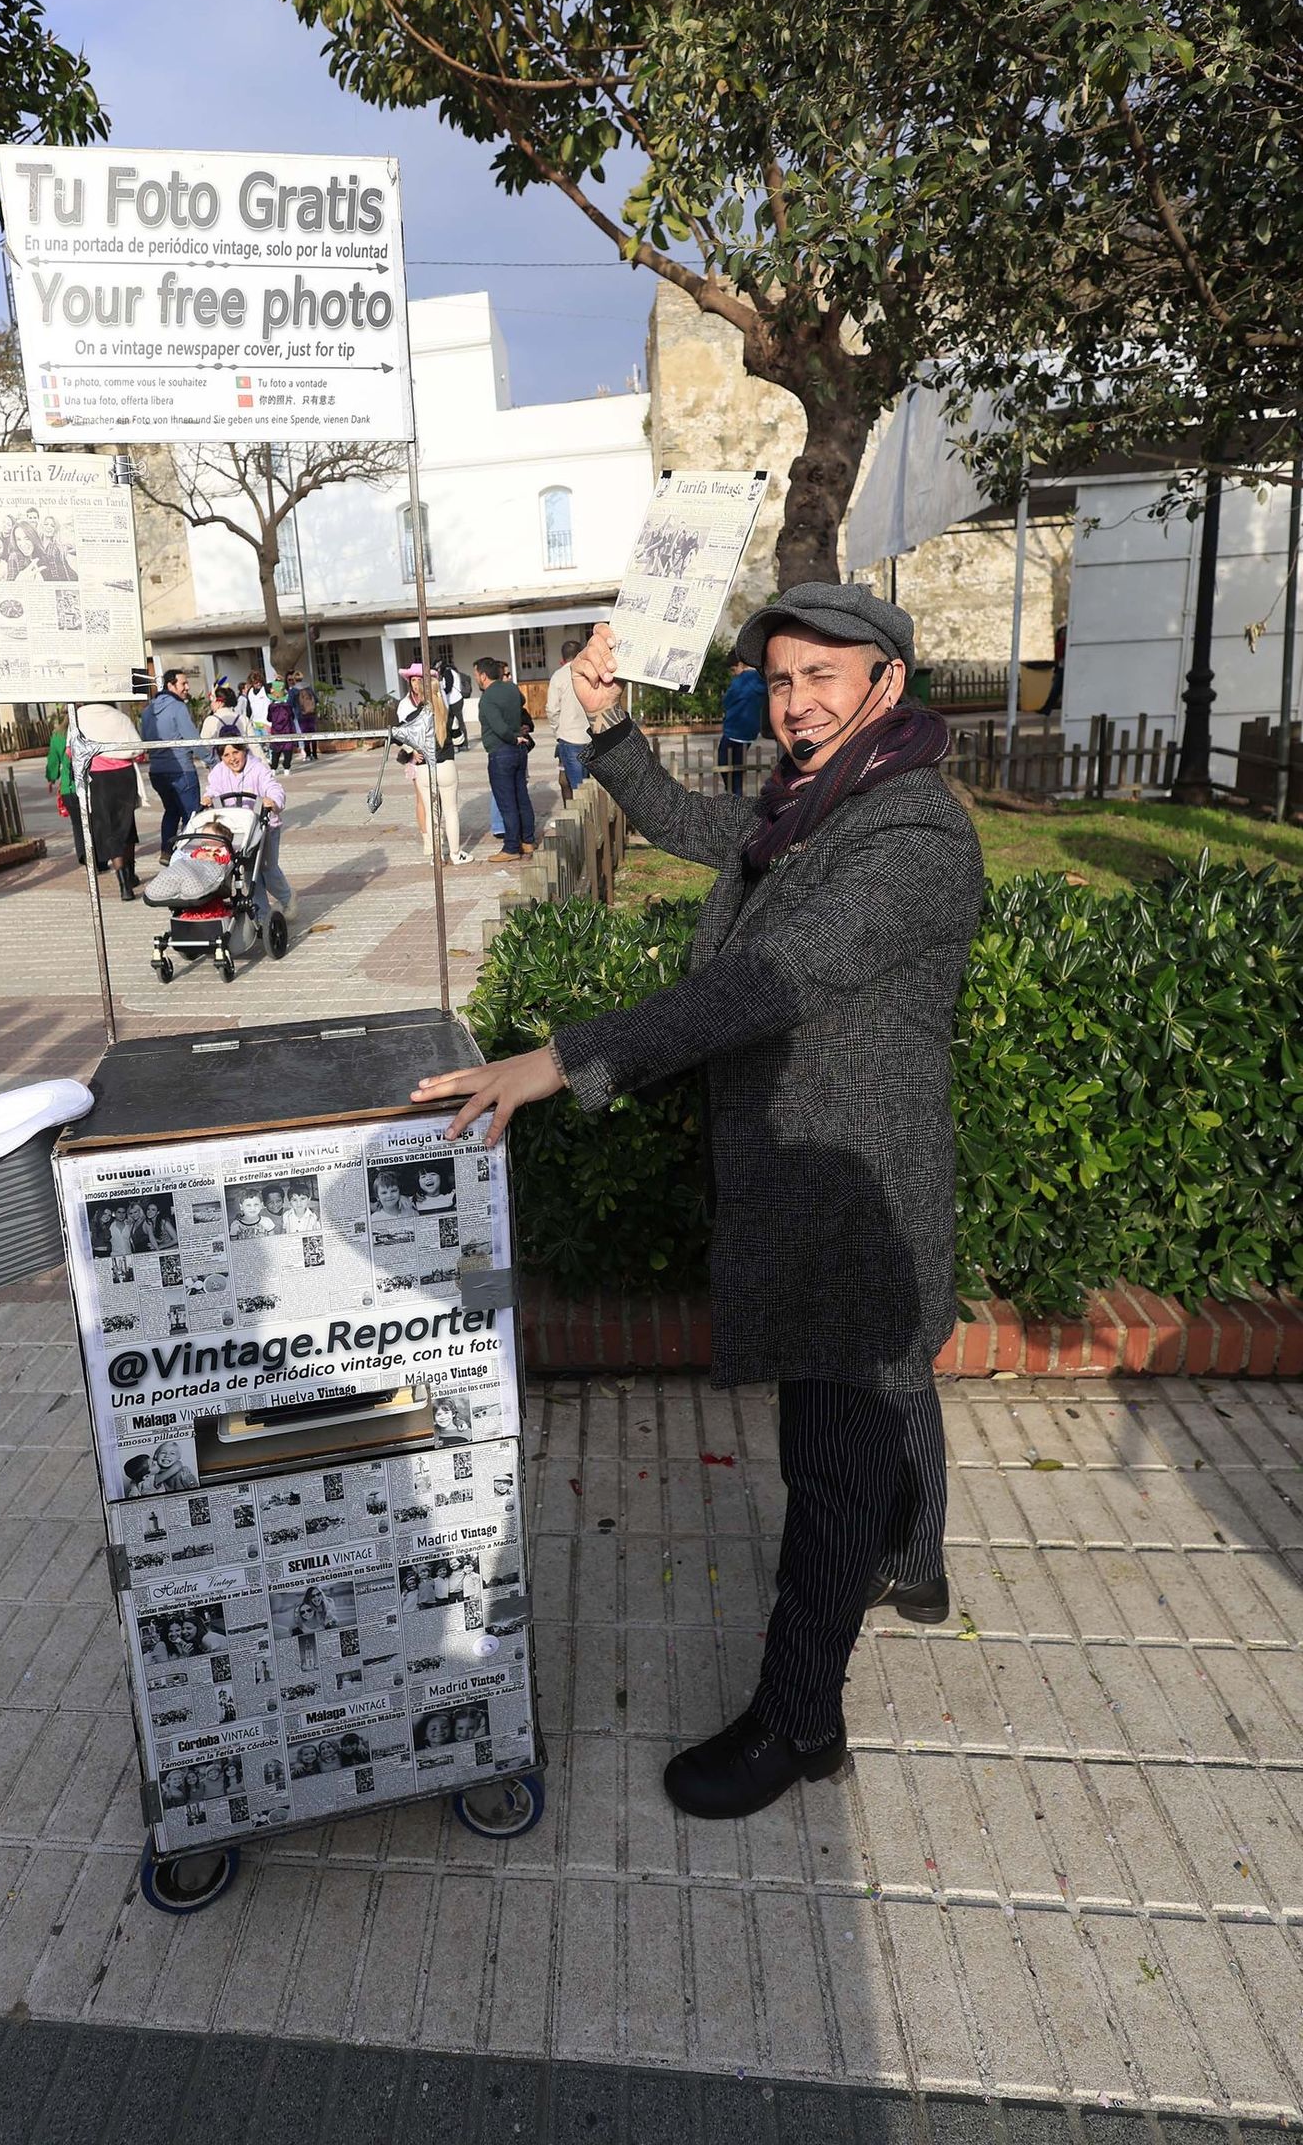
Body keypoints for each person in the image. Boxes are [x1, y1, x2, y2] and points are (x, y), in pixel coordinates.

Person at [414, 584, 984, 1825]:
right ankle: (913, 1561)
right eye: (780, 681)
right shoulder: (817, 805)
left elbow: (758, 983)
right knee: (889, 1381)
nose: (796, 703)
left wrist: (560, 1059)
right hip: (827, 1184)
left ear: (887, 682)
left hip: (848, 1195)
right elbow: (698, 824)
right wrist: (611, 728)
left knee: (830, 1461)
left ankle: (800, 1724)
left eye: (823, 676)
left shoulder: (910, 835)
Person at [205, 738, 292, 919]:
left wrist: (273, 800)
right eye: (226, 755)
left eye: (236, 752)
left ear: (244, 750)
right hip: (238, 830)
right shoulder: (218, 772)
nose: (232, 759)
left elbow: (273, 787)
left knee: (268, 869)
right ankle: (262, 914)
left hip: (265, 826)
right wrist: (208, 797)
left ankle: (287, 899)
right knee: (250, 873)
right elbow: (213, 790)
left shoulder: (258, 768)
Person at [394, 664, 471, 865]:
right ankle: (455, 854)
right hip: (446, 766)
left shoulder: (413, 717)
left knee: (431, 812)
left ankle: (437, 856)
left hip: (424, 769)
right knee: (451, 812)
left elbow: (396, 735)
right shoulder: (448, 715)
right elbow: (459, 740)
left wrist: (412, 750)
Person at [69, 703, 145, 898]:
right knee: (127, 825)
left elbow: (71, 751)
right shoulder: (119, 716)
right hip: (124, 775)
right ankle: (130, 875)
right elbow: (139, 750)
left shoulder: (78, 717)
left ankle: (124, 885)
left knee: (109, 829)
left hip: (98, 778)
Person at [139, 668, 205, 864]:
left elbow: (145, 739)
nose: (187, 687)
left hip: (157, 772)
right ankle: (187, 856)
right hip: (181, 770)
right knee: (191, 815)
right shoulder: (178, 707)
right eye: (183, 683)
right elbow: (192, 739)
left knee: (171, 811)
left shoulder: (148, 711)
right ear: (170, 685)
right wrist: (213, 761)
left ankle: (166, 851)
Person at [473, 656, 535, 862]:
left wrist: (512, 737)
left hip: (501, 752)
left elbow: (499, 727)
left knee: (507, 802)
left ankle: (511, 847)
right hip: (519, 752)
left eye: (476, 674)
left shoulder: (487, 698)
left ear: (483, 676)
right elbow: (521, 701)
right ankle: (528, 840)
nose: (476, 678)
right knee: (522, 797)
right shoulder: (512, 688)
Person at [545, 638, 592, 799]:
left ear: (563, 657)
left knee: (577, 789)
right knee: (593, 787)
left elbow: (552, 709)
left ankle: (581, 815)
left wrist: (557, 731)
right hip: (592, 737)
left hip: (569, 738)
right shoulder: (589, 673)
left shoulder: (558, 676)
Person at [717, 650, 769, 795]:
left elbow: (726, 702)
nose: (733, 673)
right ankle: (737, 794)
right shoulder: (762, 680)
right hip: (750, 732)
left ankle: (733, 794)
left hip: (733, 730)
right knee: (739, 767)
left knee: (723, 763)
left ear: (740, 664)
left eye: (733, 670)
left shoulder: (740, 681)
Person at [45, 713, 83, 866]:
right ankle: (99, 859)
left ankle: (83, 855)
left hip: (68, 788)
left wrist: (51, 778)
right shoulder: (85, 730)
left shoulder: (58, 736)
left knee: (77, 824)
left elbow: (53, 760)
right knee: (93, 822)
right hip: (87, 785)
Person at [267, 683, 298, 773]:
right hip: (287, 730)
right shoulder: (287, 706)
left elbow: (269, 718)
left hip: (276, 731)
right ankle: (286, 768)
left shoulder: (271, 707)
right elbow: (292, 716)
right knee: (287, 749)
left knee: (275, 750)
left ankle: (273, 768)